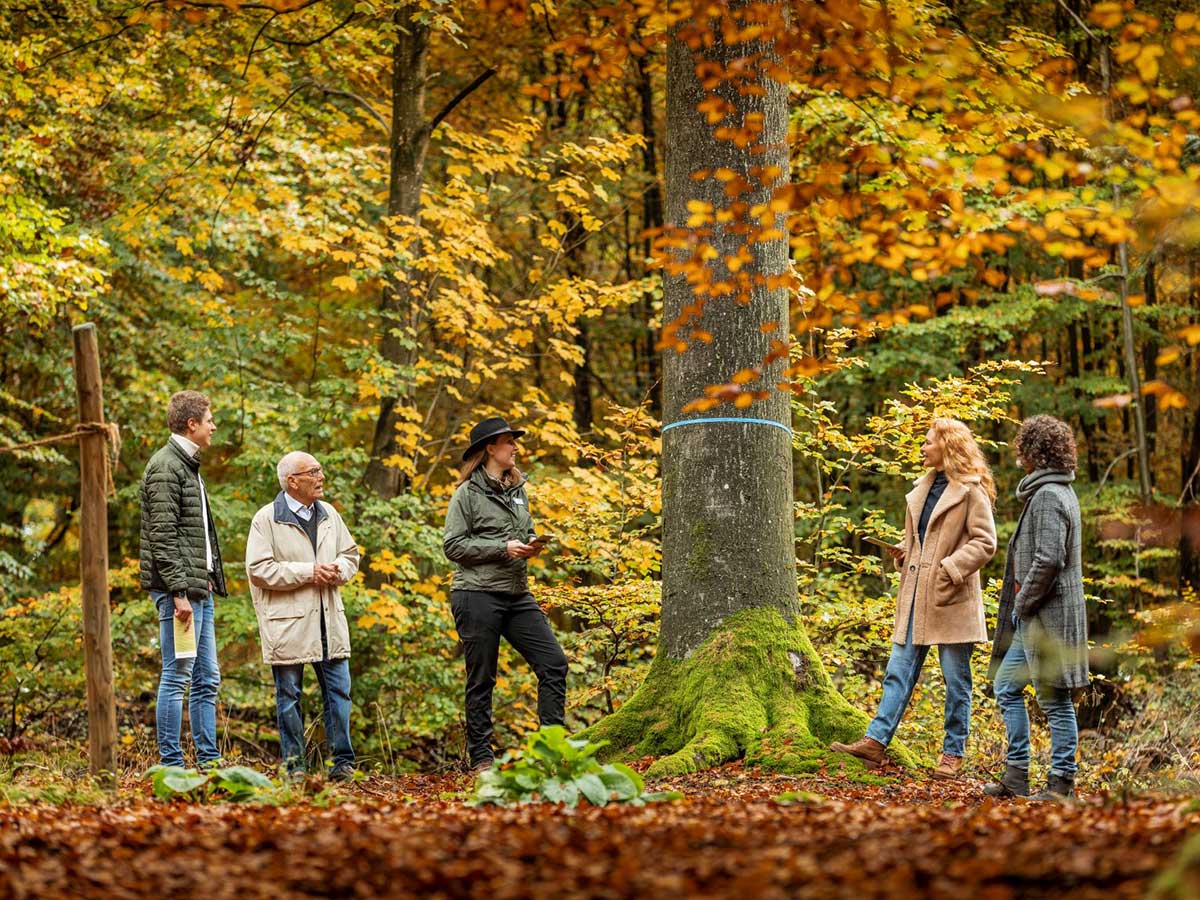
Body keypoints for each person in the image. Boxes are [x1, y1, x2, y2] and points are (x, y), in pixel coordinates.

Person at [831, 418, 997, 778]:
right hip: (915, 597)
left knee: (957, 681)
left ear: (947, 447)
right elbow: (923, 543)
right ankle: (875, 742)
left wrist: (949, 568)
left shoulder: (971, 491)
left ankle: (952, 755)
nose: (922, 448)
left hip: (950, 598)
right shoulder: (921, 489)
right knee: (897, 671)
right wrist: (905, 552)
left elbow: (985, 543)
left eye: (927, 442)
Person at [443, 416, 569, 772]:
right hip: (477, 594)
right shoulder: (466, 494)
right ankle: (482, 757)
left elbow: (524, 531)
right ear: (489, 449)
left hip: (517, 594)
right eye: (509, 442)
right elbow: (453, 546)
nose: (515, 447)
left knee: (554, 663)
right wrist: (503, 548)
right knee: (482, 677)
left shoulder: (518, 491)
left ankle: (550, 752)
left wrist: (529, 546)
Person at [985, 415, 1088, 801]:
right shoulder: (1052, 491)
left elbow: (1048, 559)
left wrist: (1024, 603)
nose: (1018, 454)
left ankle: (1062, 785)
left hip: (1046, 616)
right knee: (1007, 686)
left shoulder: (1048, 496)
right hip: (1037, 615)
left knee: (1053, 699)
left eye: (1023, 447)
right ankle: (1016, 776)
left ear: (1035, 451)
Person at [246, 452, 361, 781]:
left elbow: (350, 555)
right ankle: (295, 768)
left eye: (320, 469)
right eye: (313, 472)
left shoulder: (330, 514)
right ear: (292, 481)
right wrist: (309, 572)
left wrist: (337, 570)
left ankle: (343, 765)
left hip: (329, 620)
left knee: (339, 693)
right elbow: (259, 570)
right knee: (288, 698)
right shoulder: (266, 519)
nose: (321, 476)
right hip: (289, 625)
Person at [139, 390, 228, 768]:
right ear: (191, 423)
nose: (213, 425)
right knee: (177, 677)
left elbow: (195, 534)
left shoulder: (188, 466)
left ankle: (208, 762)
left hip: (197, 589)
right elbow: (163, 535)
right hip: (179, 595)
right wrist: (177, 592)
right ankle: (172, 766)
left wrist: (206, 579)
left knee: (208, 678)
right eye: (209, 419)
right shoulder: (165, 467)